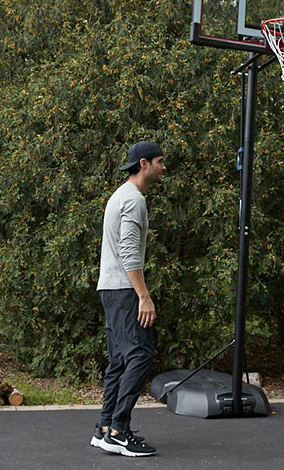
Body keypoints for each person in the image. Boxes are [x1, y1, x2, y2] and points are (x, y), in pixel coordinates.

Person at [91, 141, 166, 457]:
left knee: (120, 360)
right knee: (141, 354)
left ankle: (105, 428)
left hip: (110, 287)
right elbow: (129, 251)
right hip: (124, 289)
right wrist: (144, 297)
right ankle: (119, 431)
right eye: (161, 162)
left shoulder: (120, 195)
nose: (164, 167)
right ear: (144, 164)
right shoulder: (133, 200)